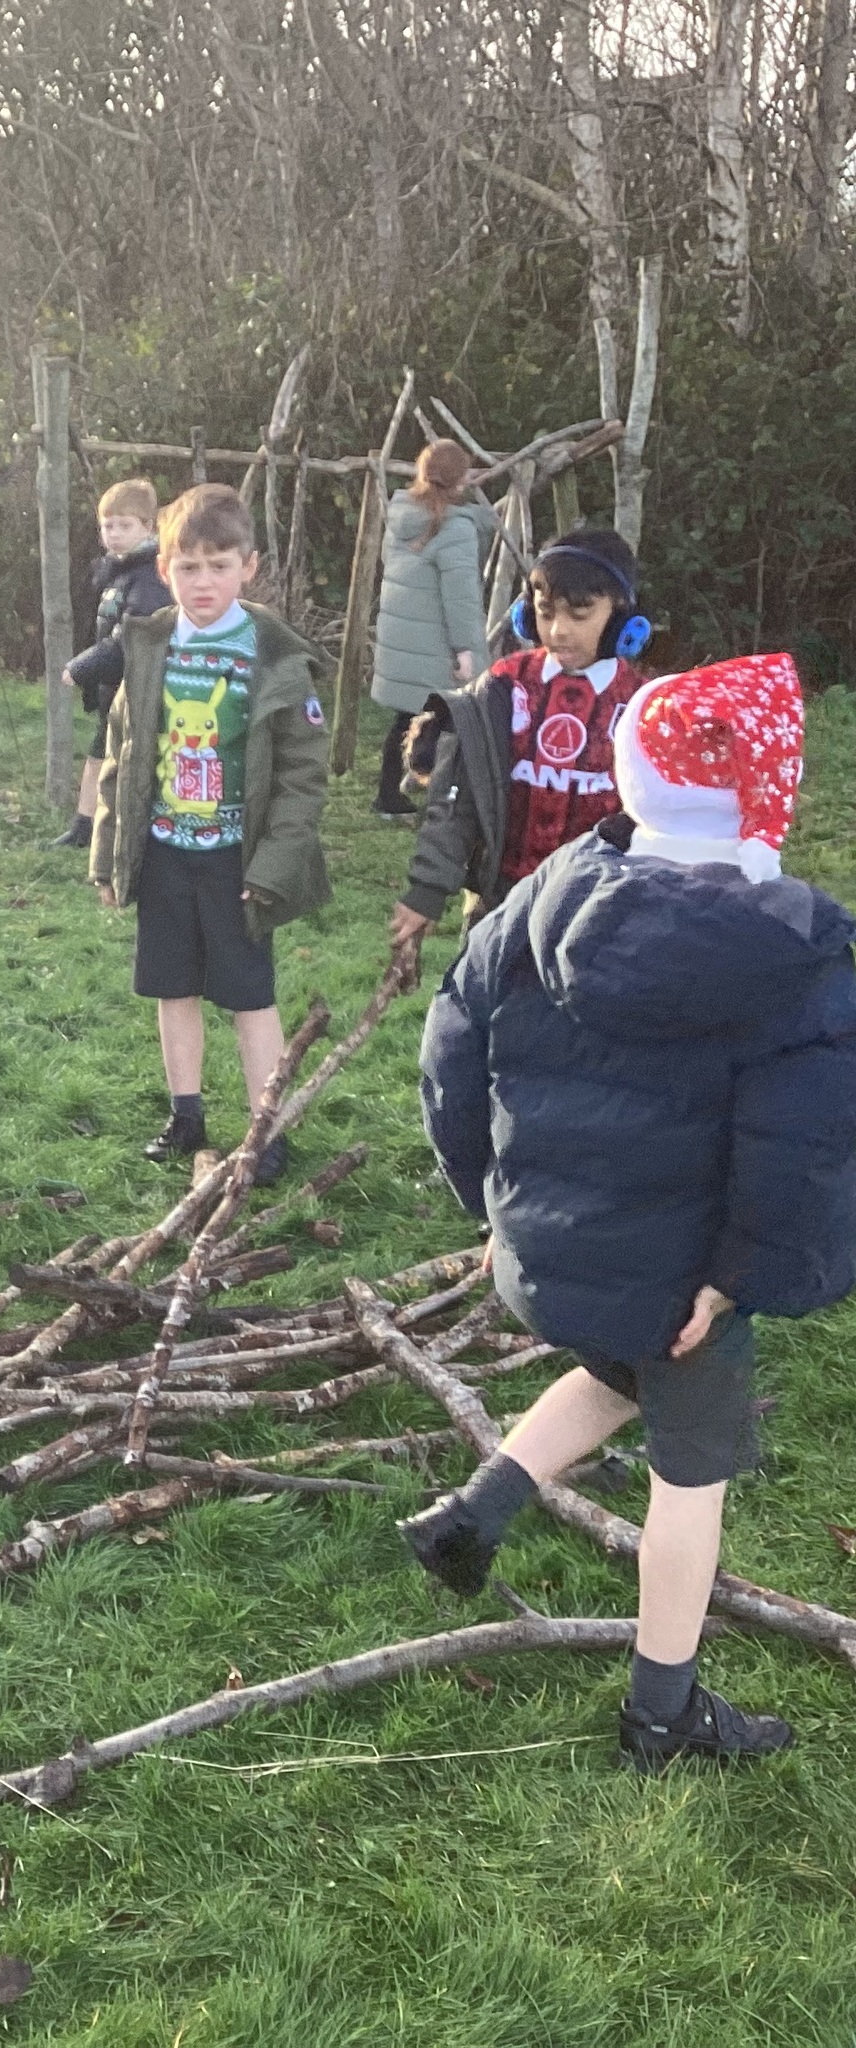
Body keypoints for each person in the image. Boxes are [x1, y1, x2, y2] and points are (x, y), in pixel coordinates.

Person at [405, 652, 854, 1769]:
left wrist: (492, 1202)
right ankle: (661, 1713)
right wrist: (735, 1277)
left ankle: (469, 1516)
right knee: (690, 1478)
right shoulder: (793, 958)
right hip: (684, 1276)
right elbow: (798, 1148)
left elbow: (449, 1054)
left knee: (614, 1371)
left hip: (566, 1247)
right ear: (764, 790)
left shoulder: (542, 896)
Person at [90, 483, 329, 1184]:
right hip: (165, 852)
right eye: (188, 567)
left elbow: (302, 778)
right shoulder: (150, 645)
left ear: (247, 567)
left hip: (238, 863)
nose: (203, 582)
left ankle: (266, 1128)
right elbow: (122, 753)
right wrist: (108, 854)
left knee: (251, 997)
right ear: (164, 569)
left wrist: (274, 867)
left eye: (219, 566)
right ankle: (185, 1115)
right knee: (173, 989)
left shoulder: (273, 656)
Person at [390, 527, 648, 947]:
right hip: (498, 905)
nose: (558, 630)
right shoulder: (504, 688)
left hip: (596, 914)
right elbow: (458, 798)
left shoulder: (642, 706)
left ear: (621, 616)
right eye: (545, 613)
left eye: (579, 615)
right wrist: (427, 889)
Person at [368, 439, 494, 820]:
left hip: (402, 637)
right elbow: (460, 597)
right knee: (451, 721)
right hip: (436, 642)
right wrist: (465, 649)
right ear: (462, 480)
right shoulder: (455, 528)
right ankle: (444, 798)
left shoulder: (403, 516)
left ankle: (388, 796)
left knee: (406, 718)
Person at [52, 479, 171, 848]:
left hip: (138, 688)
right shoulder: (117, 572)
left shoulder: (150, 577)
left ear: (149, 527)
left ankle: (133, 830)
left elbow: (133, 636)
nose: (114, 534)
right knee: (97, 756)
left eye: (125, 525)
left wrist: (84, 666)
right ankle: (83, 827)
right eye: (108, 526)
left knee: (129, 762)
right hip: (114, 688)